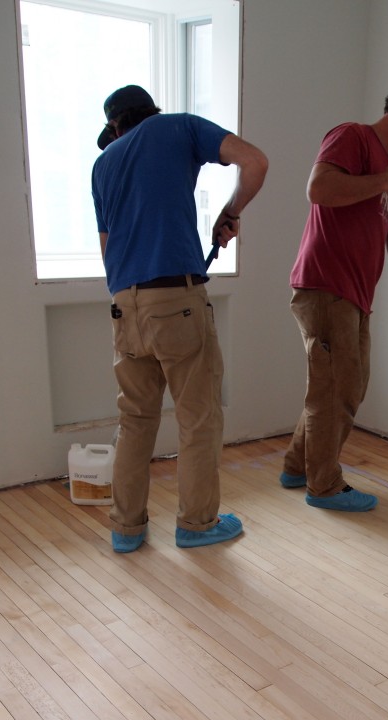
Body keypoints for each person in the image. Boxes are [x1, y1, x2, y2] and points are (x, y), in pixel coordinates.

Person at [91, 85, 268, 552]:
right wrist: (229, 213)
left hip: (124, 305)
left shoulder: (103, 164)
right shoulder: (179, 126)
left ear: (115, 127)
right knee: (199, 418)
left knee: (135, 421)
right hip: (176, 299)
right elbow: (256, 162)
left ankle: (126, 530)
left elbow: (109, 252)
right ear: (152, 112)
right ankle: (197, 524)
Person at [281, 76, 388, 512]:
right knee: (339, 388)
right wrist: (385, 180)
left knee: (339, 386)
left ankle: (298, 467)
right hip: (325, 285)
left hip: (353, 295)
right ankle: (324, 486)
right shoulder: (352, 137)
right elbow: (319, 190)